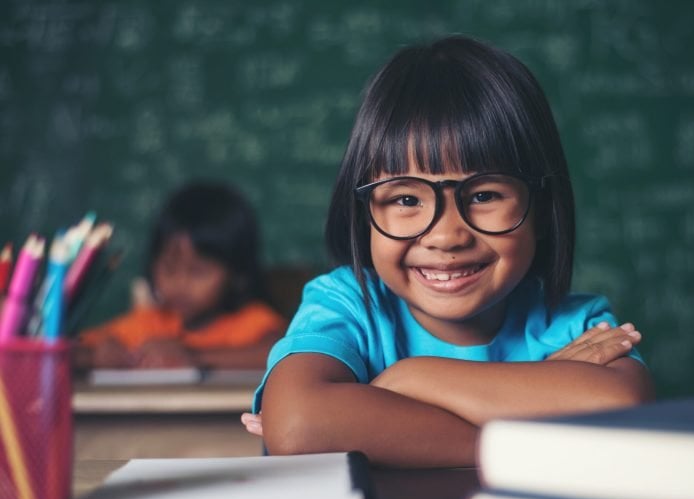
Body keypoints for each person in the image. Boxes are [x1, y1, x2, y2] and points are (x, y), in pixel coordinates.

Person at [241, 35, 654, 467]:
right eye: (406, 200)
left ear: (543, 206)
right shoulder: (347, 303)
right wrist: (524, 429)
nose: (446, 236)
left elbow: (623, 405)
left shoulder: (574, 325)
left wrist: (408, 379)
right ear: (363, 212)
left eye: (483, 195)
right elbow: (298, 424)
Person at [75, 181, 286, 370]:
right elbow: (69, 350)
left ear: (238, 275)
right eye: (169, 268)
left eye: (198, 272)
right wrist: (96, 356)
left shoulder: (252, 321)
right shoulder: (150, 323)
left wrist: (194, 356)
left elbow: (280, 355)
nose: (180, 282)